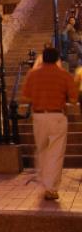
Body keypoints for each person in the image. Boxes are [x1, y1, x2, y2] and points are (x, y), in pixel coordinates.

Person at [21, 47, 78, 201]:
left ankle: (45, 182)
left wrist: (39, 97)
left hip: (39, 117)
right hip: (57, 116)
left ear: (43, 58)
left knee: (42, 151)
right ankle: (51, 188)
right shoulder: (64, 75)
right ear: (57, 59)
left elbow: (25, 98)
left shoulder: (33, 75)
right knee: (56, 153)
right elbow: (73, 99)